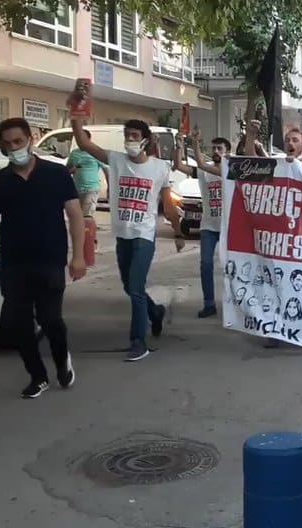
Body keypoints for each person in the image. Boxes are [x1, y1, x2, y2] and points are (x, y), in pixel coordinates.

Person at [0, 117, 86, 398]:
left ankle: (62, 360)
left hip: (50, 259)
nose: (14, 148)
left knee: (51, 319)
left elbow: (75, 215)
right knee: (20, 325)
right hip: (13, 263)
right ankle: (37, 376)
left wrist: (78, 256)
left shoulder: (56, 174)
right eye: (8, 144)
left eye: (18, 141)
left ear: (30, 139)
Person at [70, 112, 181, 361]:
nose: (130, 140)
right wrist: (76, 114)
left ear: (145, 140)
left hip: (144, 234)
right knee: (129, 286)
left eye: (135, 136)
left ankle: (138, 341)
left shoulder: (160, 168)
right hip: (123, 233)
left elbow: (169, 205)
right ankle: (155, 312)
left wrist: (178, 232)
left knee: (136, 287)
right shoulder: (116, 160)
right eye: (127, 136)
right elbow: (84, 143)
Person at [174, 130, 230, 318]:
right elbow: (179, 166)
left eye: (220, 148)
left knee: (231, 267)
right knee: (206, 264)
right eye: (213, 148)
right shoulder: (204, 171)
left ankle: (233, 303)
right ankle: (209, 304)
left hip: (228, 227)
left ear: (227, 152)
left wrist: (195, 143)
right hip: (208, 226)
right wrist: (179, 147)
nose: (216, 151)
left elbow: (200, 164)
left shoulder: (230, 170)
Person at [66, 129, 104, 217]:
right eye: (78, 139)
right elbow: (67, 171)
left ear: (89, 139)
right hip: (77, 189)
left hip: (91, 188)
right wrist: (73, 169)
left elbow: (106, 169)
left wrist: (110, 187)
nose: (80, 141)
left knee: (86, 216)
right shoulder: (74, 153)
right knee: (78, 216)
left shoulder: (96, 152)